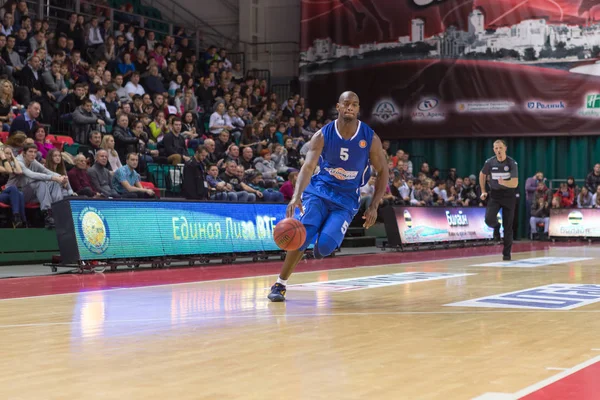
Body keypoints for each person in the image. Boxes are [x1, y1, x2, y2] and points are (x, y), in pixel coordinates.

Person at [267, 91, 388, 302]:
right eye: (346, 104)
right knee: (301, 234)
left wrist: (374, 205)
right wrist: (296, 196)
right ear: (338, 107)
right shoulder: (322, 135)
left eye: (355, 104)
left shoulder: (370, 138)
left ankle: (322, 237)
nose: (350, 107)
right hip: (320, 192)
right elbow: (308, 167)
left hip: (346, 200)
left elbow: (383, 172)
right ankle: (280, 284)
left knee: (323, 248)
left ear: (358, 109)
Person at [479, 139, 519, 261]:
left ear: (505, 148)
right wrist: (483, 191)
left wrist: (504, 182)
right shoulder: (490, 162)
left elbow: (515, 183)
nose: (498, 150)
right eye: (496, 148)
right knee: (488, 219)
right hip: (495, 195)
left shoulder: (512, 163)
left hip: (509, 196)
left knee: (508, 226)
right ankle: (496, 226)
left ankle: (506, 254)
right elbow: (482, 174)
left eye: (500, 148)